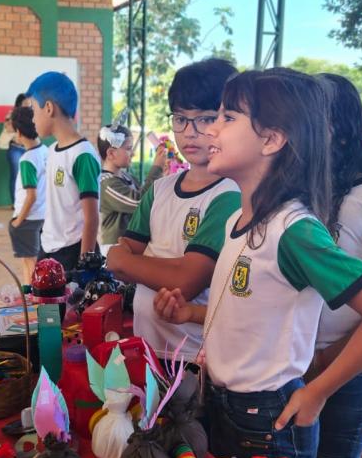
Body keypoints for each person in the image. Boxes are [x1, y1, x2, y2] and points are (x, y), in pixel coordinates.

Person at [154, 69, 362, 458]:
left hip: (270, 424)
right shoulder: (240, 218)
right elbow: (250, 306)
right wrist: (192, 315)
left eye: (227, 117)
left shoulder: (294, 230)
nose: (211, 129)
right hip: (227, 405)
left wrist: (317, 391)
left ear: (271, 139)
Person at [107, 59, 240, 361]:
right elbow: (130, 245)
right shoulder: (161, 189)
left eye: (205, 119)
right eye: (180, 119)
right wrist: (127, 258)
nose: (189, 132)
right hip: (148, 349)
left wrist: (123, 262)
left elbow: (186, 280)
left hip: (195, 356)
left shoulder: (230, 195)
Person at [305, 74, 362, 458]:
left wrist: (325, 365)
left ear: (342, 130)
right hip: (297, 364)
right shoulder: (306, 190)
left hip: (348, 367)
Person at [26, 71, 101, 273]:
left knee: (66, 305)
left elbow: (91, 217)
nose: (32, 118)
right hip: (49, 247)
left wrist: (84, 265)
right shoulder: (51, 152)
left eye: (33, 110)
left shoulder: (82, 155)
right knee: (45, 304)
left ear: (49, 108)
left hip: (72, 253)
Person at [98, 123, 166, 255]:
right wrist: (156, 168)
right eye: (129, 148)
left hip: (129, 246)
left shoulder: (127, 177)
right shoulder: (106, 183)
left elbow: (149, 199)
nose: (133, 153)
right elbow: (140, 203)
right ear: (111, 153)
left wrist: (163, 176)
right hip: (114, 249)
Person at [8, 103, 48, 284]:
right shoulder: (46, 151)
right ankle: (36, 299)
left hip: (28, 219)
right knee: (39, 262)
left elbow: (31, 196)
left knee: (30, 264)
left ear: (18, 133)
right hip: (44, 216)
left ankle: (33, 301)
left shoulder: (27, 160)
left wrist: (18, 221)